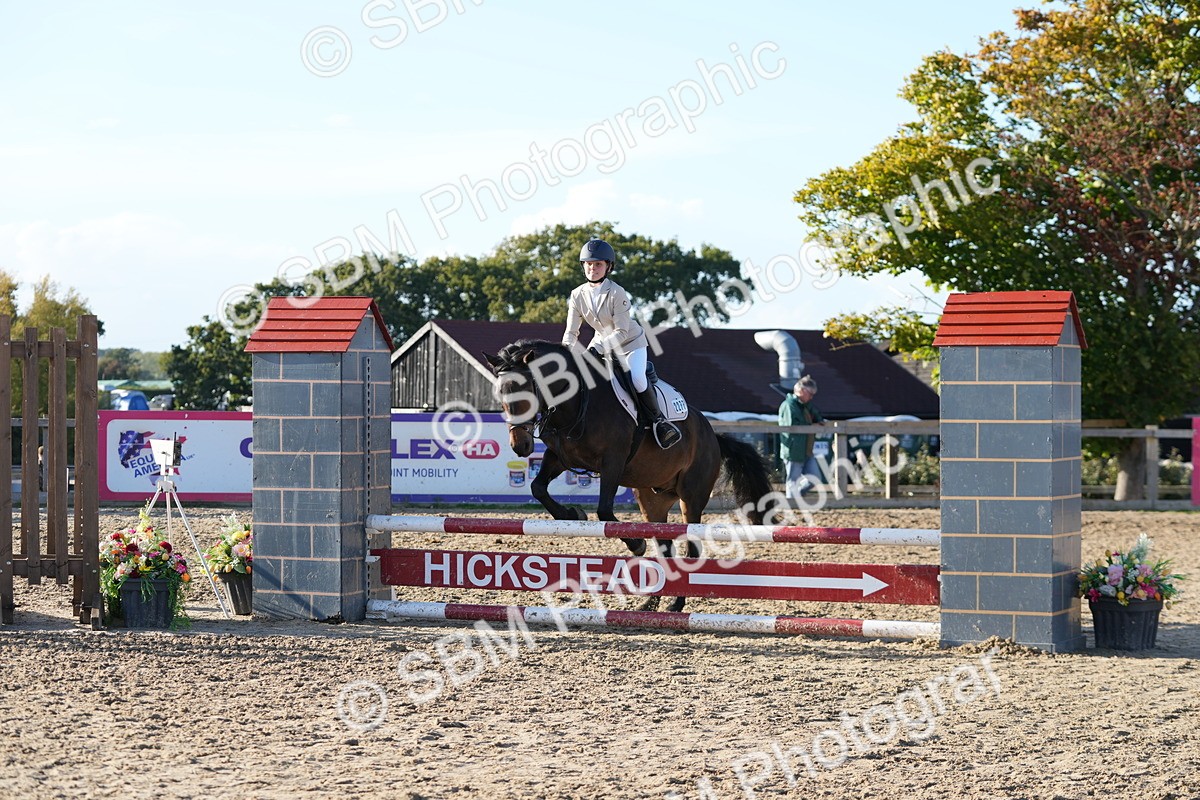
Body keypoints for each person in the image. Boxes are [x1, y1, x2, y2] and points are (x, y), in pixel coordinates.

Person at [562, 238, 682, 449]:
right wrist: (566, 353)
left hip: (630, 344)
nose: (592, 268)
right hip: (600, 342)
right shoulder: (577, 295)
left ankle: (660, 422)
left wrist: (596, 349)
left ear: (608, 267)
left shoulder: (617, 292)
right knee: (583, 378)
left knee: (638, 379)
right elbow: (571, 332)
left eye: (598, 264)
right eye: (589, 264)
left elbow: (621, 331)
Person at [778, 375, 825, 498]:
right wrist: (813, 425)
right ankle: (792, 503)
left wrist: (819, 420)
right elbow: (792, 426)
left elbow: (816, 414)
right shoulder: (789, 405)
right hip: (794, 450)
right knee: (793, 481)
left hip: (806, 450)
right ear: (802, 391)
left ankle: (796, 497)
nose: (811, 397)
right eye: (810, 393)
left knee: (815, 478)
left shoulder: (805, 405)